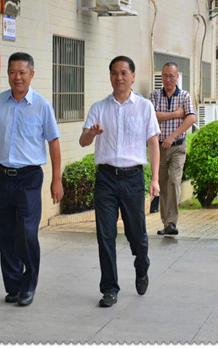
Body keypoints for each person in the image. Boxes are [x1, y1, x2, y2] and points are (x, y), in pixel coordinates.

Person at [0, 52, 63, 307]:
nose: (17, 77)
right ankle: (13, 286)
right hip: (2, 176)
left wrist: (57, 179)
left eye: (22, 72)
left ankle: (28, 284)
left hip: (29, 178)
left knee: (26, 233)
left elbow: (54, 143)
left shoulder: (42, 106)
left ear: (31, 75)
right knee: (5, 233)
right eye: (13, 72)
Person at [79, 56, 160, 308]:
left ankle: (142, 265)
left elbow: (153, 143)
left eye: (124, 73)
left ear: (133, 76)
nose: (119, 77)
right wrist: (92, 133)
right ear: (110, 77)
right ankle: (109, 289)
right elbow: (83, 141)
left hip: (133, 178)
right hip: (106, 178)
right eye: (114, 73)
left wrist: (155, 178)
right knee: (105, 234)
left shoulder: (145, 107)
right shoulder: (99, 107)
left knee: (137, 235)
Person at [149, 62, 196, 236]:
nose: (168, 79)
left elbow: (191, 118)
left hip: (177, 147)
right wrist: (176, 114)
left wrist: (172, 136)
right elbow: (152, 116)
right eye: (165, 75)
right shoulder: (154, 95)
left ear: (177, 77)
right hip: (159, 149)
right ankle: (166, 222)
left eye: (171, 76)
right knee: (163, 185)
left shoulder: (184, 95)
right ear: (161, 77)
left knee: (174, 182)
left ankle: (171, 223)